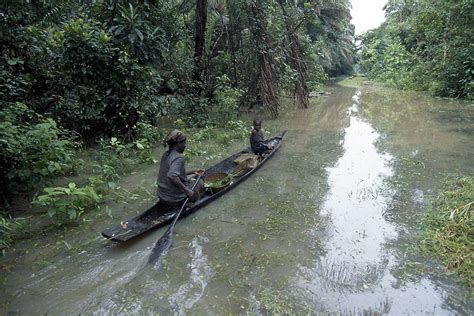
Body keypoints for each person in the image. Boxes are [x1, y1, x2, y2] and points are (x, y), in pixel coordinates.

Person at [156, 129, 204, 208]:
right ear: (177, 144)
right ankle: (188, 204)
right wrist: (187, 191)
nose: (185, 145)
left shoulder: (166, 154)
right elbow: (172, 176)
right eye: (183, 142)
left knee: (190, 181)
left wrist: (192, 171)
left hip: (162, 197)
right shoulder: (178, 158)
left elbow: (172, 173)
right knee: (200, 183)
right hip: (174, 199)